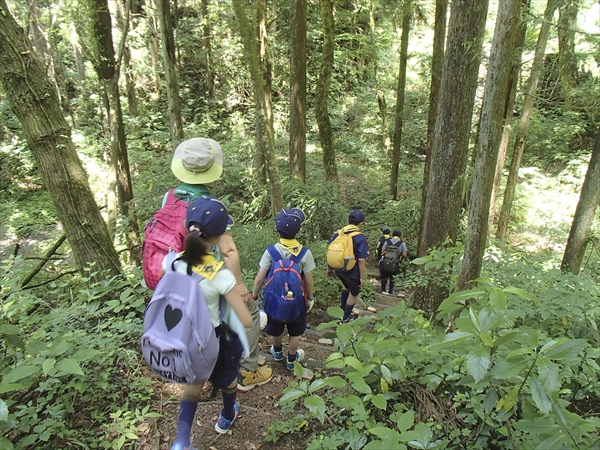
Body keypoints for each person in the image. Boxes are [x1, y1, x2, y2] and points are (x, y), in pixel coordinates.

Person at [169, 138, 273, 392]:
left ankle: (201, 368)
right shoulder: (212, 205)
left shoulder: (170, 196)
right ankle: (249, 370)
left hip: (179, 274)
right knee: (248, 309)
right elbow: (227, 250)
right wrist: (239, 284)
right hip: (207, 272)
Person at [170, 196, 252, 449]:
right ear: (218, 237)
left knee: (193, 386)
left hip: (183, 336)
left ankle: (181, 441)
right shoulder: (219, 275)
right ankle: (227, 415)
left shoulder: (172, 262)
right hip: (212, 341)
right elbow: (246, 320)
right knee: (227, 377)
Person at [251, 208, 316, 370]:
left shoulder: (270, 252)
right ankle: (292, 359)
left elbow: (259, 278)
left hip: (274, 299)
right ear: (299, 230)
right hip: (297, 300)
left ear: (276, 228)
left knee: (276, 327)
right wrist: (311, 298)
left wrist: (254, 296)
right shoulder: (305, 253)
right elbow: (308, 281)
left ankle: (278, 352)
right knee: (295, 331)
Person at [326, 209, 369, 322]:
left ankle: (342, 310)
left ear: (347, 220)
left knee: (346, 286)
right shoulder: (360, 237)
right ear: (361, 223)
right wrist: (362, 277)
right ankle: (344, 319)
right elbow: (361, 260)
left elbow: (331, 251)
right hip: (352, 272)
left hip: (338, 269)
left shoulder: (338, 233)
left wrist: (329, 268)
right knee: (354, 292)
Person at [380, 229, 407, 295]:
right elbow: (404, 254)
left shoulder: (387, 241)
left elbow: (382, 251)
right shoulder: (402, 243)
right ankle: (391, 291)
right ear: (400, 236)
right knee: (393, 277)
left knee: (384, 276)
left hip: (386, 262)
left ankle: (383, 289)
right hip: (396, 262)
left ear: (392, 235)